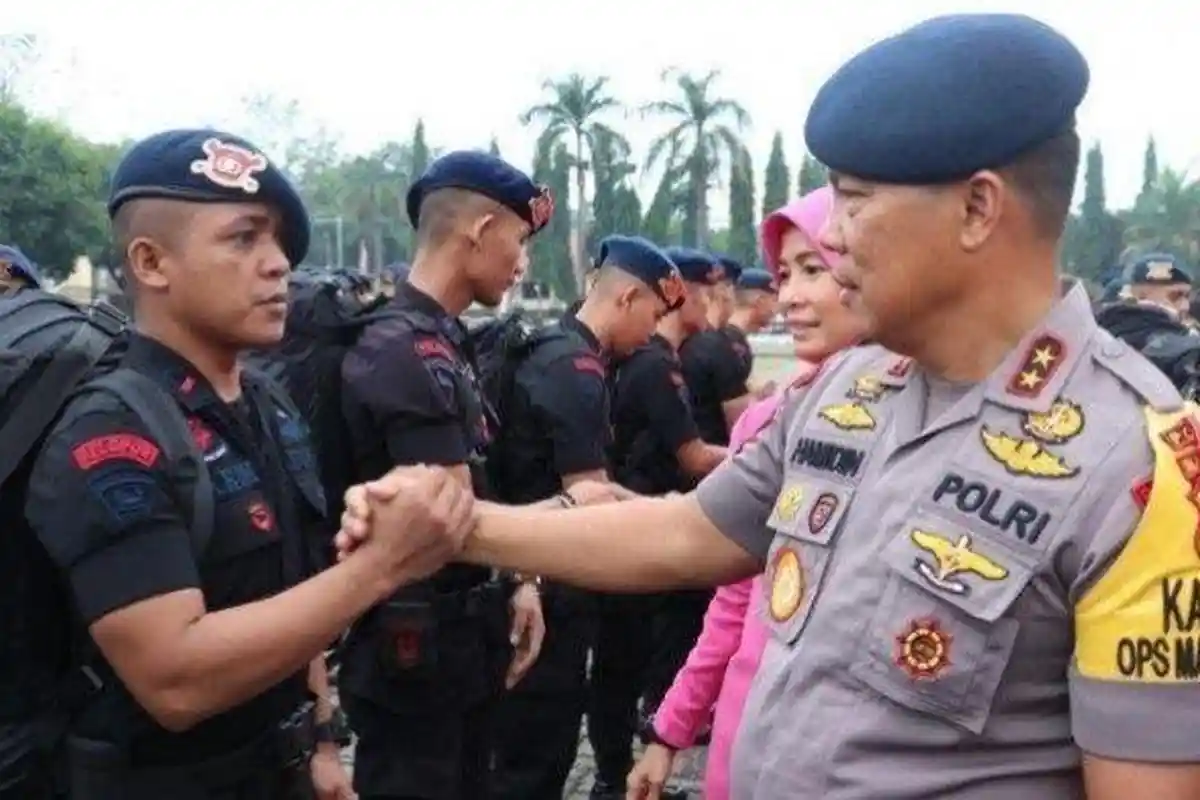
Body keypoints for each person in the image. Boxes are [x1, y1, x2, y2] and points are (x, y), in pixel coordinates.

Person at [344, 14, 1200, 800]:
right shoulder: (848, 389)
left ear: (977, 208)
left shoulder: (1138, 461)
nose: (835, 236)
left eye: (857, 200)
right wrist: (460, 526)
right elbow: (687, 533)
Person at [21, 129, 472, 800]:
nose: (277, 264)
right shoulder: (111, 433)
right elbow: (175, 677)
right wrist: (383, 566)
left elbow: (292, 588)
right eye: (243, 239)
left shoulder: (268, 401)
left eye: (281, 243)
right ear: (151, 262)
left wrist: (320, 740)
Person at [628, 186, 872, 800]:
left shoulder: (935, 424)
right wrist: (670, 729)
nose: (789, 295)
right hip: (751, 732)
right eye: (785, 273)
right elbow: (734, 605)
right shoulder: (769, 422)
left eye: (813, 269)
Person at [337, 150, 555, 800]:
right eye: (517, 240)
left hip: (458, 637)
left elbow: (478, 486)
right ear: (480, 232)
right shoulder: (405, 347)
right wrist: (582, 507)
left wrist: (519, 580)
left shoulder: (446, 338)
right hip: (413, 649)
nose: (521, 263)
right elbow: (454, 515)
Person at [490, 234, 686, 800]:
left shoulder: (545, 346)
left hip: (521, 565)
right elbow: (590, 494)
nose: (652, 332)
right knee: (538, 753)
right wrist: (669, 515)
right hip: (547, 582)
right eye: (651, 313)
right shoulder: (577, 367)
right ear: (625, 299)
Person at [588, 247, 725, 800]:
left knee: (622, 664)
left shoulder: (627, 358)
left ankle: (615, 774)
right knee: (631, 663)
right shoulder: (655, 362)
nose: (716, 304)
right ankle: (618, 777)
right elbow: (693, 458)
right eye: (708, 292)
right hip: (642, 526)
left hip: (624, 521)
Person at [677, 253, 756, 447]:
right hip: (711, 462)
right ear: (724, 293)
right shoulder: (719, 347)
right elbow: (742, 430)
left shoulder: (675, 343)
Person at [724, 266, 778, 391]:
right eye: (774, 301)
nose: (775, 311)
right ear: (760, 301)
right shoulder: (731, 344)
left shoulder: (732, 338)